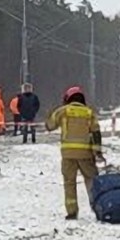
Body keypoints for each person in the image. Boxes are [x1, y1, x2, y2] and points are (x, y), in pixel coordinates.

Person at [45, 85, 103, 220]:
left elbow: (49, 126)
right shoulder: (89, 113)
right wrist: (97, 152)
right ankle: (98, 208)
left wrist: (49, 115)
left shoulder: (62, 111)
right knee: (91, 181)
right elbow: (96, 133)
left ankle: (72, 211)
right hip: (85, 154)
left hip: (68, 154)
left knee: (69, 182)